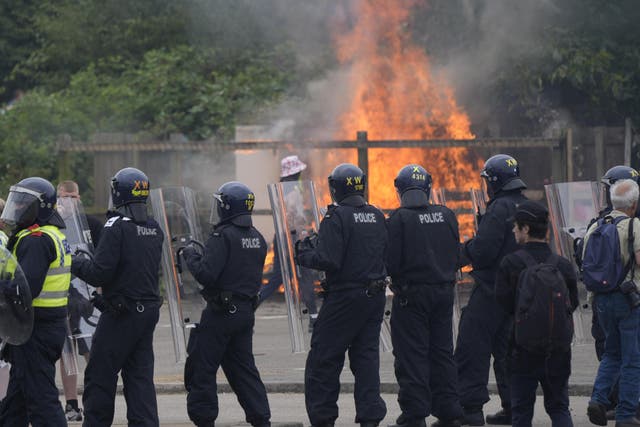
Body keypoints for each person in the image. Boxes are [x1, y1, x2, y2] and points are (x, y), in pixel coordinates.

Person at [295, 163, 388, 427]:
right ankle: (370, 417)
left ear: (336, 188)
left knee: (324, 358)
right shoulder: (377, 215)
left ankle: (323, 418)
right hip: (374, 297)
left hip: (345, 298)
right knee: (366, 359)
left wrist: (303, 252)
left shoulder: (336, 216)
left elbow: (329, 259)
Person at [71, 167, 164, 426]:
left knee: (100, 374)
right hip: (147, 313)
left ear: (118, 193)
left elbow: (99, 273)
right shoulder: (154, 227)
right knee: (139, 377)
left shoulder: (116, 225)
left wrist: (76, 262)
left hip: (121, 314)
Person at [181, 181, 271, 426]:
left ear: (228, 207)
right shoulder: (258, 238)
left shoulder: (222, 236)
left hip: (220, 314)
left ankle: (204, 419)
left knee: (202, 367)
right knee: (244, 370)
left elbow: (207, 275)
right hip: (244, 313)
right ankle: (261, 418)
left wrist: (190, 255)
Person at [386, 165, 463, 427]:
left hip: (411, 297)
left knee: (411, 355)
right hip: (444, 294)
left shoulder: (398, 219)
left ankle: (415, 414)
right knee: (442, 353)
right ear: (428, 188)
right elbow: (457, 254)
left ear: (400, 190)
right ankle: (449, 411)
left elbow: (391, 262)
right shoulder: (447, 215)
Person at [456, 154, 527, 425]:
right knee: (508, 351)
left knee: (472, 346)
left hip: (491, 291)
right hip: (519, 293)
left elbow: (484, 251)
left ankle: (470, 410)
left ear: (494, 181)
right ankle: (514, 407)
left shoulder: (499, 209)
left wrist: (460, 253)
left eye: (487, 180)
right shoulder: (529, 205)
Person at [495, 201, 578, 426]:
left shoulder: (510, 263)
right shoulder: (562, 265)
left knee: (521, 411)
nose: (513, 230)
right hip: (558, 350)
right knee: (559, 407)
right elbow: (573, 304)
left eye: (516, 226)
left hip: (522, 348)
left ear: (527, 229)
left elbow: (503, 304)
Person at [0, 177, 71, 426]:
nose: (16, 208)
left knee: (42, 402)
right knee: (15, 403)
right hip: (44, 326)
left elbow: (25, 288)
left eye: (21, 204)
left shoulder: (36, 239)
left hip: (35, 330)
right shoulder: (51, 233)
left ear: (38, 207)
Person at [585, 179, 640, 427]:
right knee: (632, 358)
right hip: (629, 300)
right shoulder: (634, 226)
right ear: (634, 205)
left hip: (602, 300)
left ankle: (598, 399)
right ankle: (626, 413)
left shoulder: (595, 227)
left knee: (611, 353)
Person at [56, 180, 103, 421]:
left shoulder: (92, 226)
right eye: (63, 197)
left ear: (79, 199)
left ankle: (96, 400)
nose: (68, 202)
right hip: (62, 296)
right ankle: (72, 404)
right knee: (68, 352)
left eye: (72, 197)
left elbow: (103, 261)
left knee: (91, 350)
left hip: (87, 296)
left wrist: (100, 290)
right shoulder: (53, 225)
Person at [259, 155, 318, 330]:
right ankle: (314, 317)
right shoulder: (292, 193)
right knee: (305, 275)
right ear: (295, 173)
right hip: (291, 236)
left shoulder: (282, 190)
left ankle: (252, 305)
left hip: (282, 236)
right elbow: (293, 217)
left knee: (279, 277)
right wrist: (303, 233)